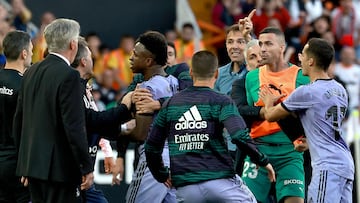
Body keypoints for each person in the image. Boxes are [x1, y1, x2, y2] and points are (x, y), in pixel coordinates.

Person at [144, 50, 275, 203]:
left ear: (191, 72)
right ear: (216, 74)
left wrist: (161, 174)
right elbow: (239, 135)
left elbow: (151, 146)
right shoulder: (221, 101)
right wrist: (262, 160)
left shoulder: (171, 103)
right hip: (221, 182)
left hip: (186, 188)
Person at [259, 38, 354, 203]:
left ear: (311, 61)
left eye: (302, 54)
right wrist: (309, 142)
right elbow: (327, 128)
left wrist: (268, 101)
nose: (299, 57)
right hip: (345, 163)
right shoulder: (340, 89)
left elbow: (270, 116)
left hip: (327, 165)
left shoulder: (307, 92)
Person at [13, 18, 93, 203]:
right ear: (73, 44)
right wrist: (85, 166)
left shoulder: (30, 72)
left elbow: (19, 121)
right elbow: (73, 126)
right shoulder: (69, 75)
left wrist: (24, 164)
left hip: (33, 168)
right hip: (60, 170)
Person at [242, 27, 309, 203]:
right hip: (259, 150)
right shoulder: (252, 77)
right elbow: (250, 114)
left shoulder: (301, 76)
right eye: (261, 44)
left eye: (268, 44)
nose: (263, 48)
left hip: (290, 151)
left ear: (282, 47)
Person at [113, 41, 193, 186]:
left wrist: (157, 104)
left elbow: (189, 98)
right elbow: (122, 108)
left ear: (175, 58)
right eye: (164, 54)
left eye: (170, 54)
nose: (166, 58)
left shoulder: (180, 70)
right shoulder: (140, 78)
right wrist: (132, 95)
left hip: (170, 149)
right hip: (148, 151)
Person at [71, 37, 133, 203]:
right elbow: (91, 120)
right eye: (91, 57)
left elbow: (96, 124)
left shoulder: (86, 89)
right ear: (84, 61)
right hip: (72, 170)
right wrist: (124, 110)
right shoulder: (73, 89)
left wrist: (107, 152)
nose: (95, 61)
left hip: (85, 171)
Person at [123, 31, 179, 203]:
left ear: (148, 61)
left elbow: (140, 133)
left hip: (153, 161)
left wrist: (118, 131)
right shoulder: (173, 81)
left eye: (135, 54)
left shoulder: (145, 89)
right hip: (176, 158)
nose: (130, 58)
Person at [0, 30, 32, 203]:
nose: (32, 54)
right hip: (17, 163)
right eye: (32, 50)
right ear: (24, 53)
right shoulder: (26, 85)